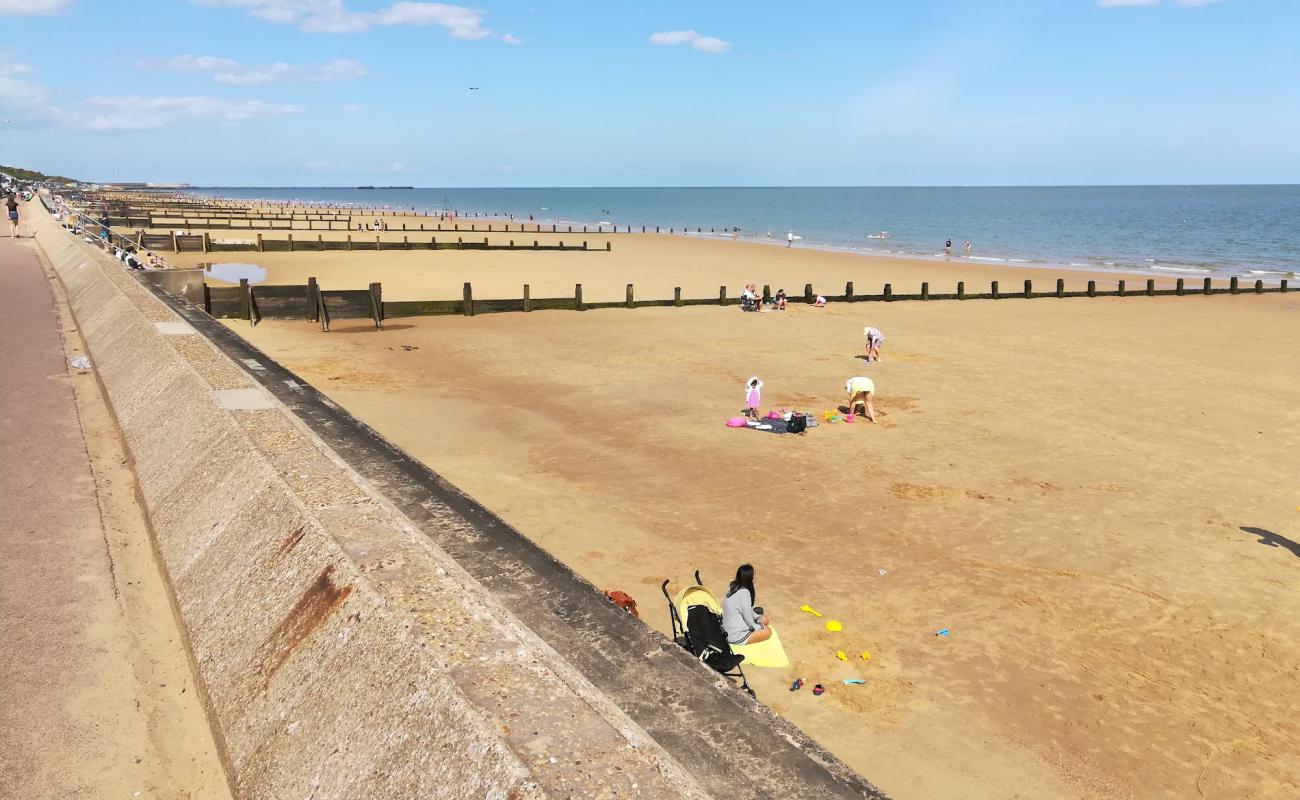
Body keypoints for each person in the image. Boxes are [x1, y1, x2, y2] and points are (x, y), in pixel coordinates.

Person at [722, 564, 771, 645]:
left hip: (727, 630)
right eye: (754, 574)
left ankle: (758, 624)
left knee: (765, 619)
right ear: (749, 578)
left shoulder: (733, 586)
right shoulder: (744, 592)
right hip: (735, 636)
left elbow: (746, 609)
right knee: (768, 631)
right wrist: (756, 627)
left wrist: (757, 617)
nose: (756, 576)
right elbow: (747, 617)